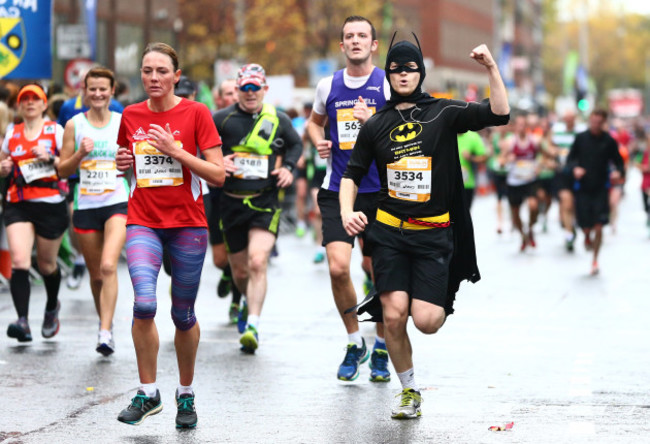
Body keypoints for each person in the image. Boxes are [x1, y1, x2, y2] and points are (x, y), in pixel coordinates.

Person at [340, 36, 509, 419]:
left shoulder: (443, 113)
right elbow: (351, 174)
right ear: (388, 74)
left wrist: (491, 68)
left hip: (434, 234)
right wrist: (347, 212)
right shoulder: (376, 124)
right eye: (396, 68)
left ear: (421, 72)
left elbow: (499, 114)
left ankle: (418, 291)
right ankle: (409, 390)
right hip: (388, 233)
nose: (403, 74)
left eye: (410, 68)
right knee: (395, 314)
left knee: (427, 320)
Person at [114, 42, 224, 428]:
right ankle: (148, 392)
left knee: (182, 314)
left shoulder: (196, 113)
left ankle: (186, 393)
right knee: (144, 304)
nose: (154, 78)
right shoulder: (130, 114)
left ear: (176, 76)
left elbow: (218, 173)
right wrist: (121, 162)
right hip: (143, 220)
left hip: (188, 224)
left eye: (162, 71)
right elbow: (128, 168)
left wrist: (176, 151)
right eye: (147, 71)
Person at [306, 15, 392, 382]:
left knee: (382, 274)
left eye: (362, 36)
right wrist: (318, 141)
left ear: (374, 45)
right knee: (339, 267)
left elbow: (405, 132)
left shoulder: (388, 85)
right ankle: (355, 341)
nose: (355, 41)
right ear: (341, 46)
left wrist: (372, 119)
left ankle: (383, 347)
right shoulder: (328, 86)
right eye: (349, 37)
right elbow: (313, 122)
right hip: (338, 188)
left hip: (382, 193)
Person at [213, 63, 301, 353]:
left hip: (264, 202)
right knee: (239, 273)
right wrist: (216, 163)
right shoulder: (222, 119)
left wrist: (288, 168)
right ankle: (244, 302)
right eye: (245, 88)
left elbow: (296, 145)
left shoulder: (278, 118)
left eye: (256, 88)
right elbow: (202, 147)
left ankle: (253, 324)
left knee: (257, 261)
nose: (250, 93)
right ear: (238, 89)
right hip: (231, 203)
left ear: (265, 89)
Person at [58, 67, 127, 356]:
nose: (97, 94)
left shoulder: (123, 122)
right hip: (86, 203)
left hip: (117, 201)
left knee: (110, 266)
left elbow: (134, 161)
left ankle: (105, 331)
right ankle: (104, 321)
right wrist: (79, 154)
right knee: (97, 275)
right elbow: (61, 170)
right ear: (84, 92)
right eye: (92, 89)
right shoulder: (75, 125)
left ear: (112, 92)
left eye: (103, 89)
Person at [1, 84, 67, 342]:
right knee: (20, 261)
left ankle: (52, 307)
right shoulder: (12, 133)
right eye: (24, 99)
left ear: (43, 104)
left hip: (50, 203)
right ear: (19, 105)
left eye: (34, 99)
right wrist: (4, 167)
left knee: (47, 265)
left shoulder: (55, 131)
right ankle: (23, 321)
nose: (29, 102)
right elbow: (2, 163)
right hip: (18, 202)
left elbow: (69, 166)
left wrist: (51, 157)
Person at [567, 109, 624, 275]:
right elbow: (570, 159)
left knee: (599, 226)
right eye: (593, 122)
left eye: (599, 123)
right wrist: (575, 168)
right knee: (585, 226)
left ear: (604, 123)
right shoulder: (581, 138)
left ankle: (595, 260)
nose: (595, 126)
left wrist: (618, 172)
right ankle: (585, 235)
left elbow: (619, 163)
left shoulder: (609, 141)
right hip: (583, 188)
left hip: (600, 188)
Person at [208, 78, 242, 323]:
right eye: (227, 93)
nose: (233, 97)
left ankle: (237, 302)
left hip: (247, 196)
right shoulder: (213, 120)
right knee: (220, 259)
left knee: (246, 257)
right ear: (219, 98)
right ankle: (227, 272)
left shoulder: (257, 119)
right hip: (218, 195)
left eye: (235, 92)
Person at [501, 114, 542, 251]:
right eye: (519, 125)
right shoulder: (510, 142)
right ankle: (523, 235)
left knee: (533, 207)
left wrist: (539, 167)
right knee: (515, 213)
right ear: (515, 127)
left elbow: (543, 156)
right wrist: (508, 160)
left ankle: (530, 228)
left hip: (530, 180)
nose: (522, 128)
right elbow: (500, 162)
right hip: (514, 182)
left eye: (524, 125)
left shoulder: (535, 140)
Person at [550, 110, 585, 251]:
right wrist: (554, 152)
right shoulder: (557, 130)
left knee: (574, 204)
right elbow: (548, 144)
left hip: (576, 172)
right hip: (561, 171)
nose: (568, 121)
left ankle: (571, 224)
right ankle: (569, 232)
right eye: (566, 119)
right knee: (566, 201)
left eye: (571, 119)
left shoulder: (581, 131)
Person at [457, 130, 487, 209]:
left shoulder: (473, 136)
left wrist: (471, 157)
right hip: (448, 184)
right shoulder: (446, 133)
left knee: (465, 214)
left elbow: (484, 157)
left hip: (467, 184)